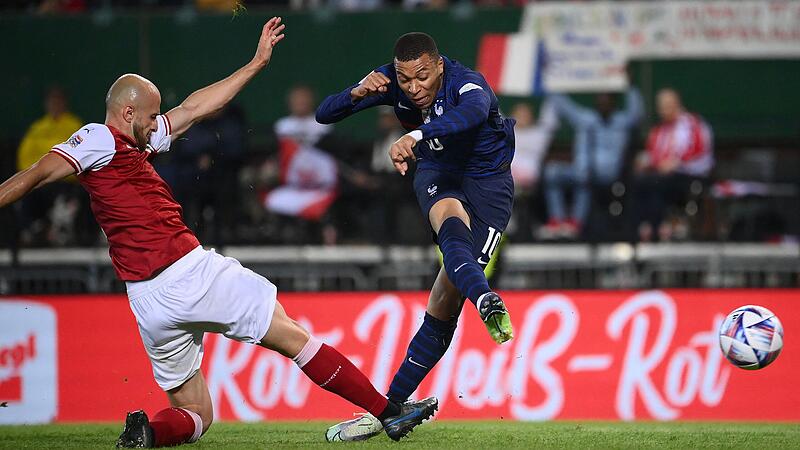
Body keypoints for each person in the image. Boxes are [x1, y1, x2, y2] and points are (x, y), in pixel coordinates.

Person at [0, 18, 436, 448]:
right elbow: (35, 175)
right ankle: (389, 413)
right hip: (188, 273)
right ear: (127, 112)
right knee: (295, 337)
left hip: (146, 300)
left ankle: (147, 433)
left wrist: (254, 64)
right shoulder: (98, 138)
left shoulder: (133, 144)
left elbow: (192, 109)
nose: (157, 125)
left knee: (196, 414)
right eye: (151, 117)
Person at [316, 31, 514, 441]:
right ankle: (486, 299)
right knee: (450, 230)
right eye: (405, 80)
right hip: (438, 173)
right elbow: (324, 114)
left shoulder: (468, 82)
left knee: (444, 299)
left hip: (489, 185)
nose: (413, 88)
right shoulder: (391, 81)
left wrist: (413, 136)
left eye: (422, 76)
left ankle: (387, 411)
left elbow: (473, 113)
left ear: (438, 65)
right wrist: (356, 93)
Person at [539, 87, 643, 240]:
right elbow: (564, 106)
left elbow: (637, 113)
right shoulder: (586, 119)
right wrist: (554, 81)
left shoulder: (622, 122)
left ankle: (576, 223)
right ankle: (557, 220)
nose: (603, 104)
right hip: (581, 170)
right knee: (552, 172)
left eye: (607, 101)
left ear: (614, 104)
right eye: (600, 101)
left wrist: (629, 86)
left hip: (608, 174)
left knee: (585, 177)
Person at [631, 88, 713, 241]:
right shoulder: (659, 130)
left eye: (667, 105)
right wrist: (644, 162)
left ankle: (656, 231)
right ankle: (641, 230)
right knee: (637, 181)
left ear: (676, 104)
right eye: (660, 106)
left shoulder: (692, 124)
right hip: (664, 178)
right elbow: (653, 156)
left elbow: (699, 152)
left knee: (655, 183)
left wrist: (677, 163)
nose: (663, 110)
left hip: (691, 176)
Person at [16, 86, 86, 245]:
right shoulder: (37, 128)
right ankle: (35, 230)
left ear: (64, 103)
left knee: (69, 196)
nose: (54, 104)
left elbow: (80, 158)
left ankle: (62, 233)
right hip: (40, 180)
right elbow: (24, 158)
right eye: (51, 101)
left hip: (66, 182)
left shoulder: (74, 125)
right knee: (24, 194)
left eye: (58, 101)